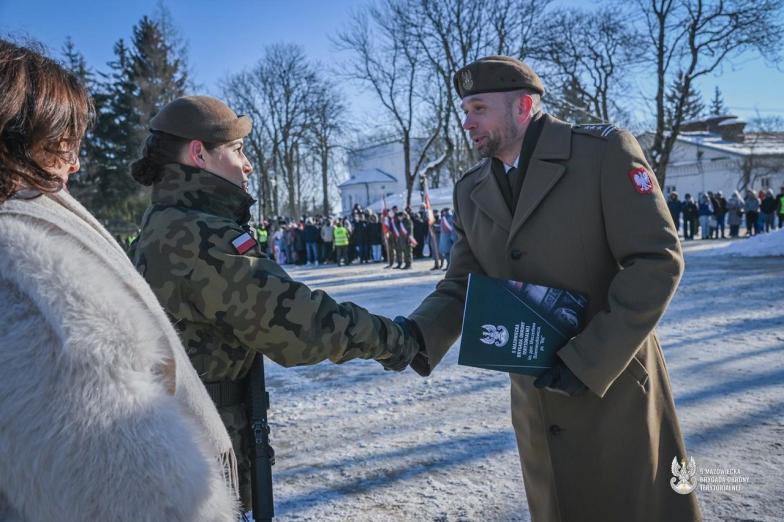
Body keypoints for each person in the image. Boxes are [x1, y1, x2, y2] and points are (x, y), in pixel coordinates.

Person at [396, 56, 700, 521]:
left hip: (612, 386)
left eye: (479, 108)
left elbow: (656, 260)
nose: (466, 122)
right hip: (537, 402)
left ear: (522, 107)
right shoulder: (471, 189)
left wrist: (588, 359)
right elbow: (463, 284)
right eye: (465, 109)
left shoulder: (602, 154)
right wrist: (417, 335)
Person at [127, 95, 419, 512]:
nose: (247, 165)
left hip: (184, 446)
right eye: (237, 150)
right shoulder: (197, 235)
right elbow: (299, 324)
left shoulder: (165, 222)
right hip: (200, 455)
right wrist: (396, 340)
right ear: (199, 154)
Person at [0, 40, 237, 521]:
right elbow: (136, 485)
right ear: (20, 140)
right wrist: (407, 338)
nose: (76, 163)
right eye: (63, 143)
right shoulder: (35, 280)